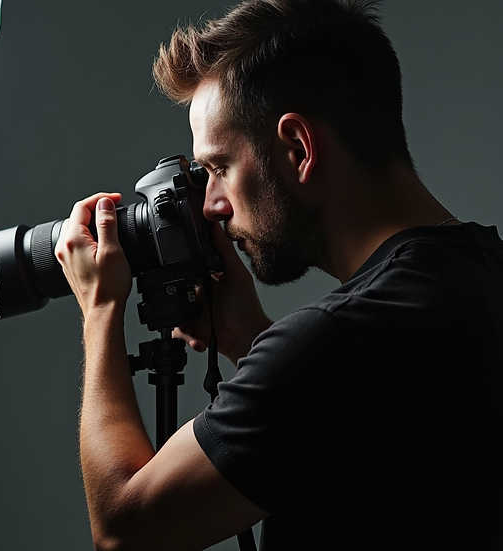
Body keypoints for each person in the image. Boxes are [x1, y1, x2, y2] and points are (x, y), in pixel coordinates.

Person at [53, 0, 503, 549]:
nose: (212, 204)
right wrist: (251, 340)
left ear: (297, 148)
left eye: (218, 167)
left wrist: (101, 310)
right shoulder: (478, 274)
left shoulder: (339, 340)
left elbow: (126, 529)